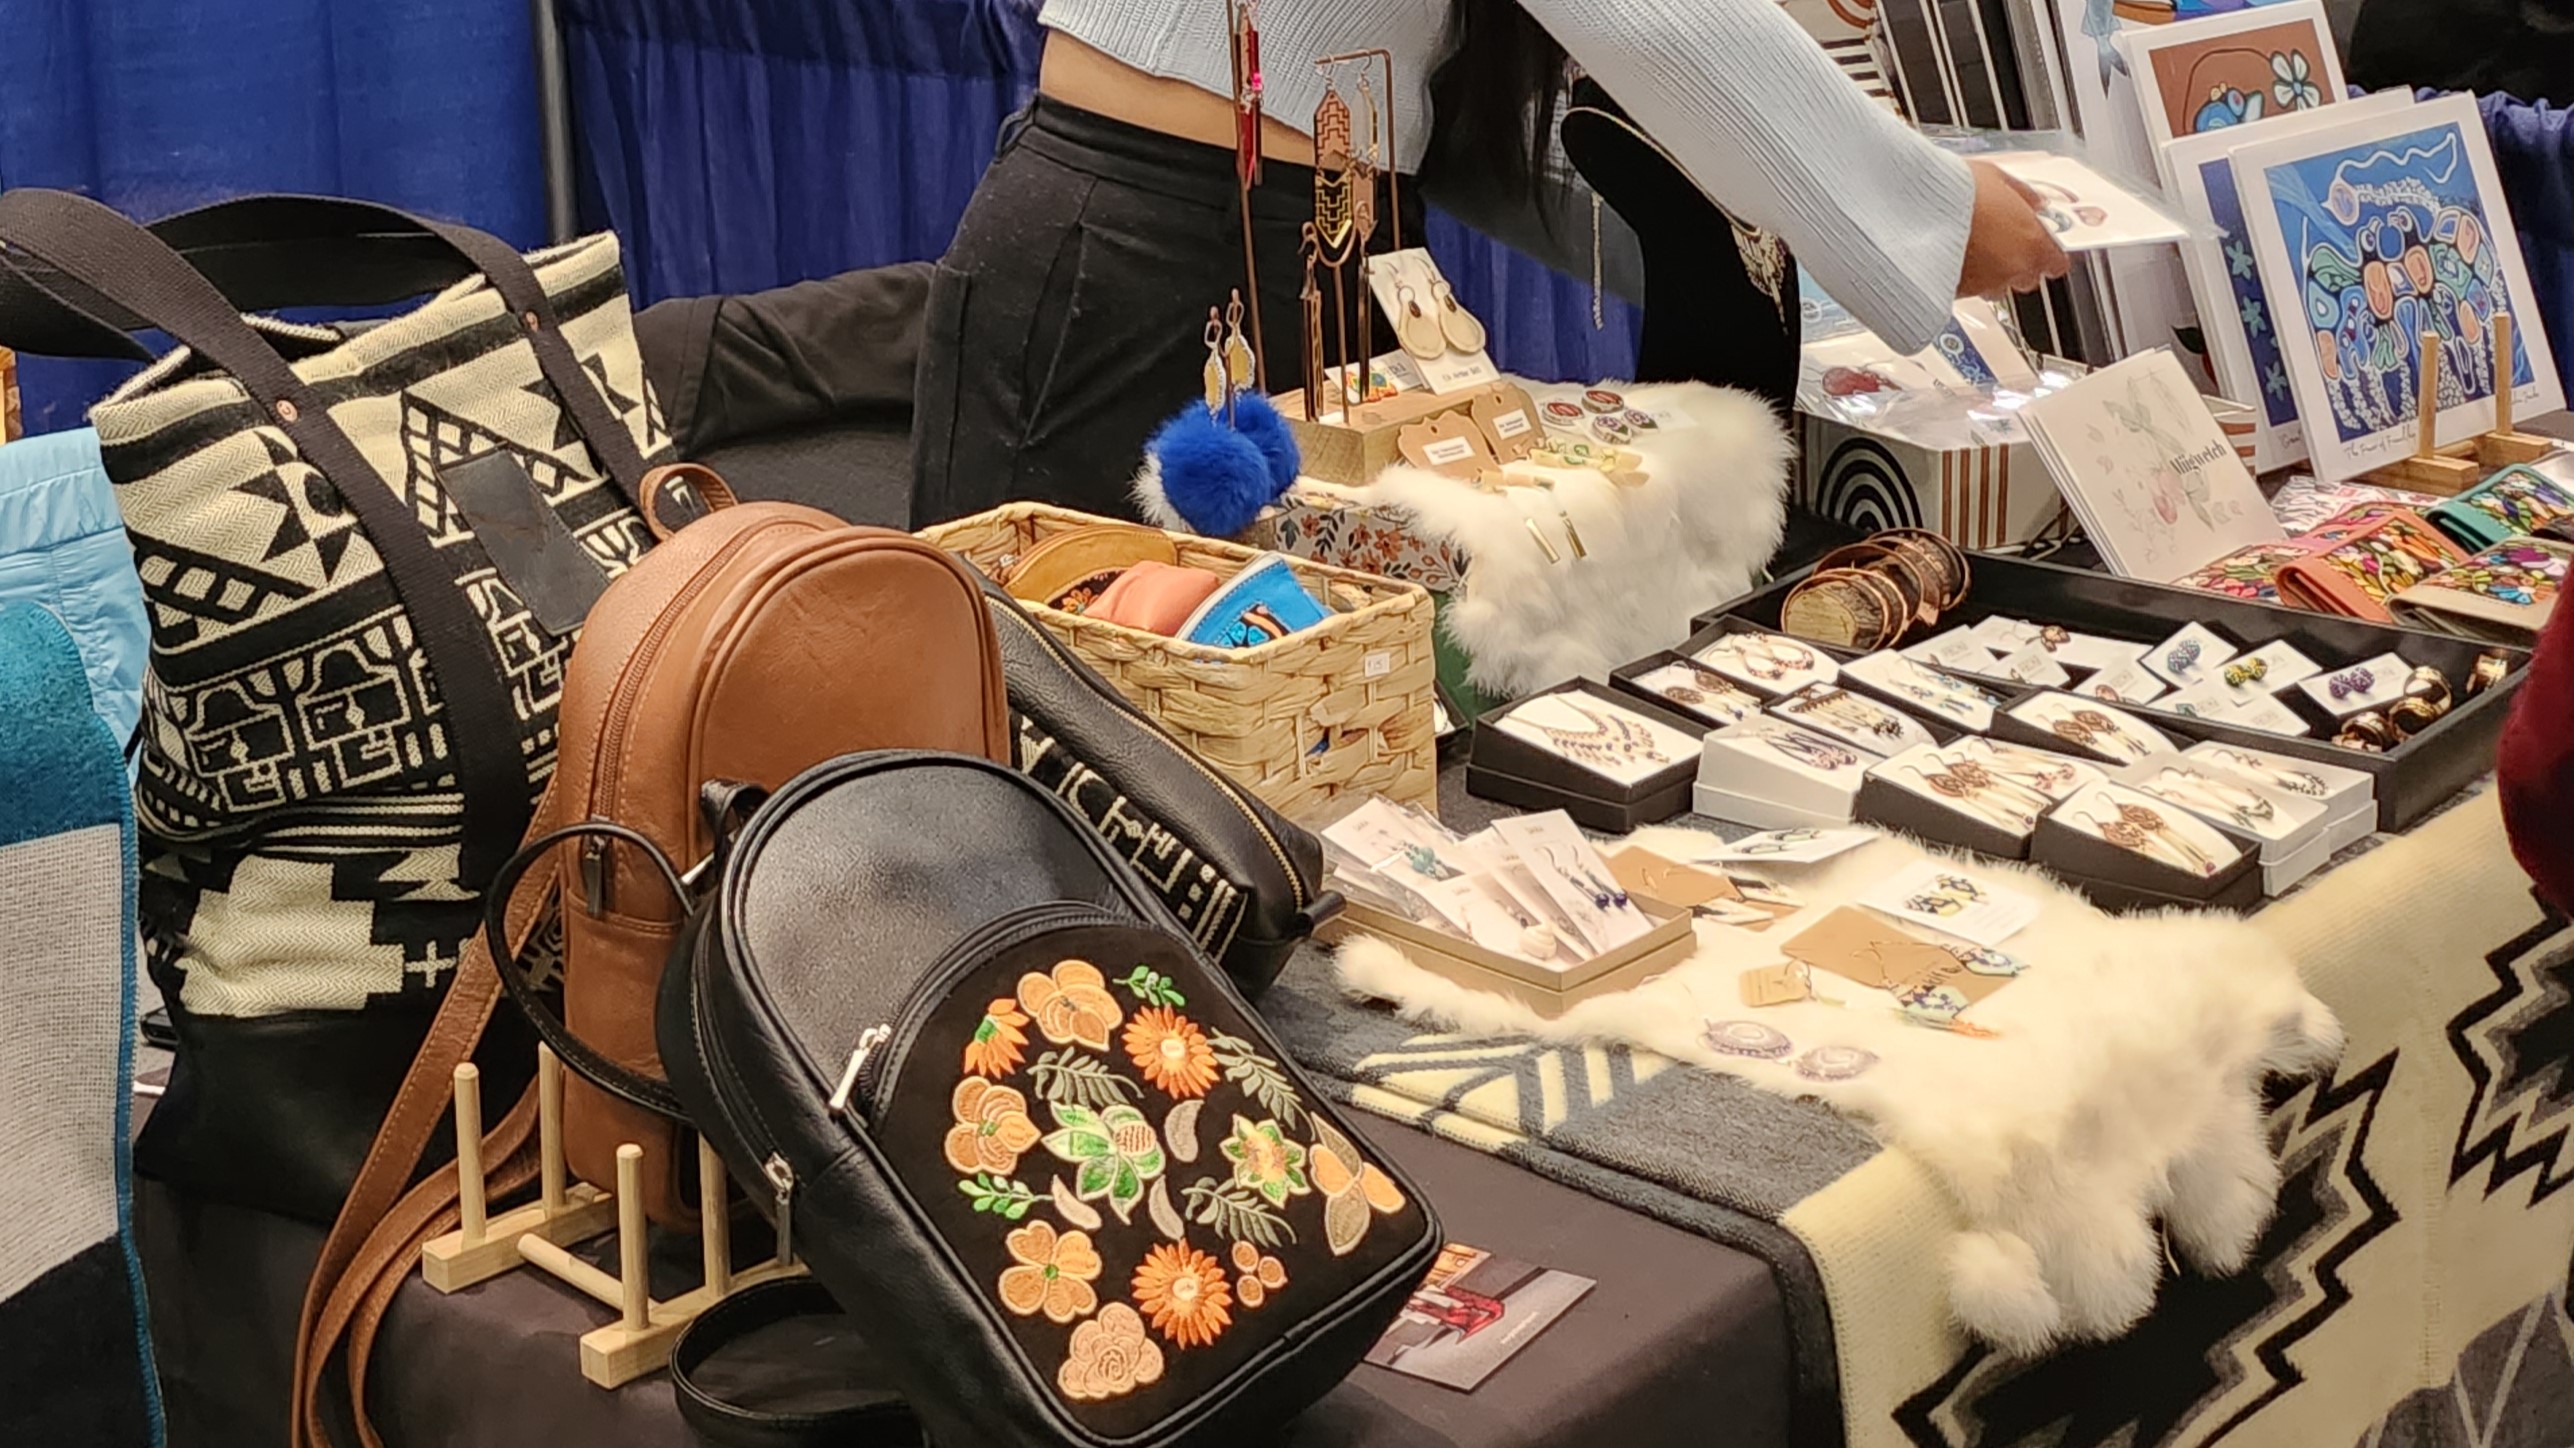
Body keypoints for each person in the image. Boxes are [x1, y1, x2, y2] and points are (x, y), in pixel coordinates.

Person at [908, 0, 2072, 528]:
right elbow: (1658, 19)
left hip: (1314, 242)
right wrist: (1927, 210)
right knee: (1049, 708)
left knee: (1285, 711)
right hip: (1153, 244)